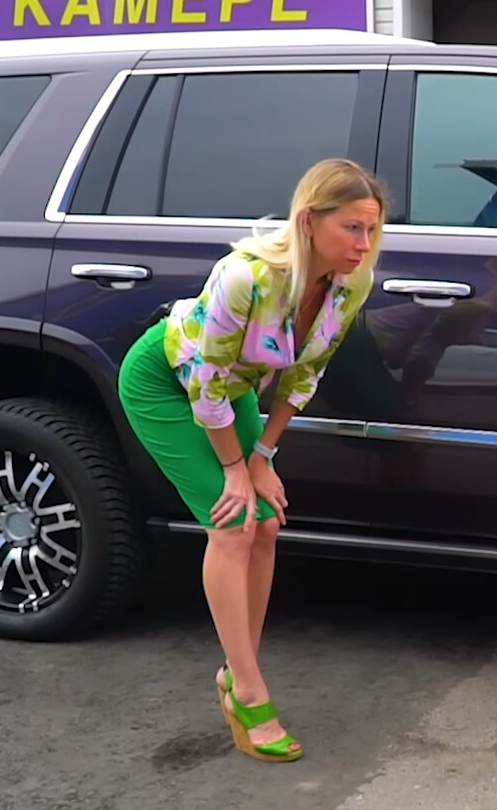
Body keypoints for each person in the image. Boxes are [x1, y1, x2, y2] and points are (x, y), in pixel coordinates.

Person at [116, 158, 387, 764]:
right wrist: (235, 470)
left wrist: (263, 456)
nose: (363, 244)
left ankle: (239, 671)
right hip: (166, 380)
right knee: (234, 520)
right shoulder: (246, 276)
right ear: (309, 221)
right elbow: (205, 382)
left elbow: (305, 374)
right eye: (351, 228)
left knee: (267, 521)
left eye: (372, 230)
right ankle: (248, 690)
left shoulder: (352, 283)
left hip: (231, 389)